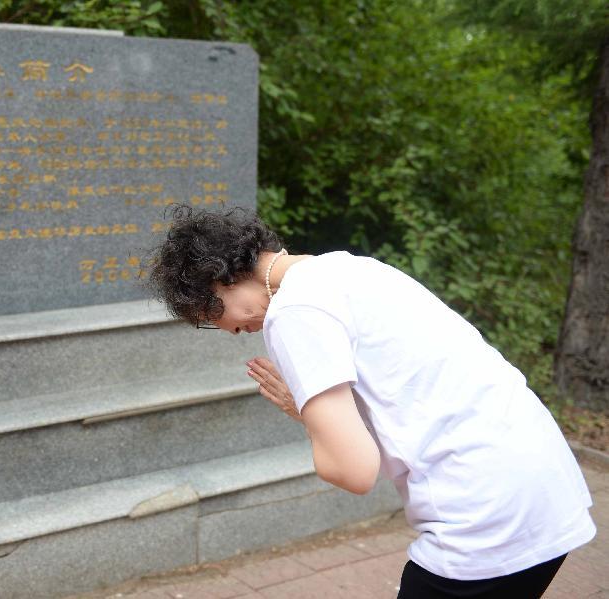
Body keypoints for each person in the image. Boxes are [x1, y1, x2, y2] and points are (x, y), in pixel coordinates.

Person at [142, 204, 596, 598]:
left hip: (484, 512)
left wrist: (309, 419)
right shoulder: (349, 268)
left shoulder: (294, 312)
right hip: (544, 484)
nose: (226, 330)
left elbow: (353, 469)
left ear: (217, 279)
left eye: (207, 314)